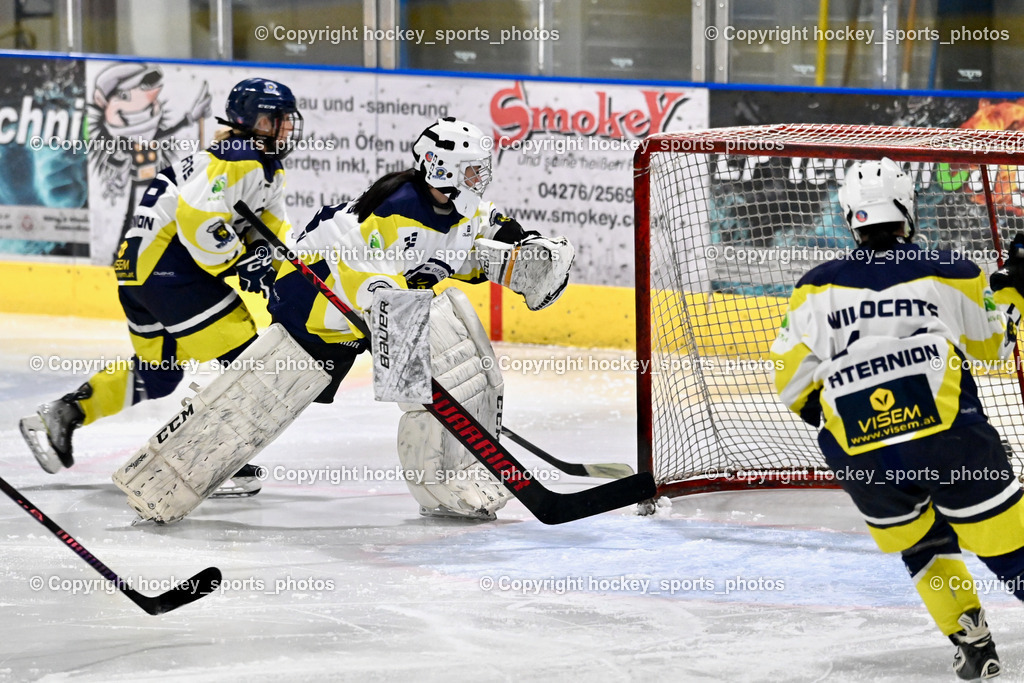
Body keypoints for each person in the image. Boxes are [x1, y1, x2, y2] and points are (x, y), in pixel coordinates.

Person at [114, 117, 574, 524]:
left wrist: (523, 244)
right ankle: (157, 484)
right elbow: (369, 280)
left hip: (365, 312)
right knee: (251, 412)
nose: (481, 177)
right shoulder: (397, 210)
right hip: (315, 312)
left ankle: (449, 484)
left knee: (457, 367)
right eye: (473, 169)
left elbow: (486, 227)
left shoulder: (456, 202)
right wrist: (397, 331)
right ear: (441, 169)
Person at [770, 157, 1024, 681]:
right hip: (951, 442)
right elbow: (994, 344)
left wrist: (850, 422)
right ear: (907, 210)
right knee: (1012, 549)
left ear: (850, 217)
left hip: (864, 455)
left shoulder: (814, 287)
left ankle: (972, 641)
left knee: (924, 546)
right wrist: (1014, 292)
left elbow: (791, 382)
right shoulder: (948, 267)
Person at [21, 77, 304, 497]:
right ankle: (205, 456)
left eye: (285, 121)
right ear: (252, 121)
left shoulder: (251, 162)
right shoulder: (239, 157)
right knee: (246, 358)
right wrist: (243, 261)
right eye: (274, 120)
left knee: (159, 374)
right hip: (170, 272)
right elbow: (199, 222)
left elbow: (273, 230)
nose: (283, 129)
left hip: (139, 273)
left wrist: (271, 260)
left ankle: (65, 412)